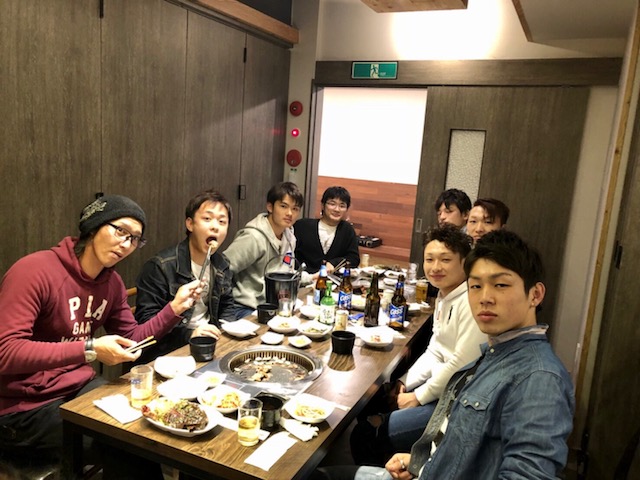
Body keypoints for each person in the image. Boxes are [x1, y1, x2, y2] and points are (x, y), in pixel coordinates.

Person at [315, 230, 575, 480]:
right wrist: (422, 462)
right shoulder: (494, 352)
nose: (485, 297)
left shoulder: (539, 378)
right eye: (476, 286)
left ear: (535, 295)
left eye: (501, 284)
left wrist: (418, 398)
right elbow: (462, 442)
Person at [0, 195, 203, 479]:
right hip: (22, 407)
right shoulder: (34, 271)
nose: (126, 244)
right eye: (121, 231)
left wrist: (174, 308)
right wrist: (89, 348)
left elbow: (132, 337)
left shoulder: (111, 283)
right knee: (124, 445)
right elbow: (6, 352)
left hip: (77, 387)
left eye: (135, 239)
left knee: (143, 433)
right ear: (93, 227)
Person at [350, 224, 486, 466]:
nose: (435, 267)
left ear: (465, 262)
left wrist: (418, 397)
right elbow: (435, 350)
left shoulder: (470, 302)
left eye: (445, 259)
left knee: (366, 434)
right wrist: (404, 382)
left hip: (456, 403)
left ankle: (392, 468)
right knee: (373, 399)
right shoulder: (445, 295)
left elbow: (460, 365)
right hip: (441, 388)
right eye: (429, 259)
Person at [134, 190, 235, 364]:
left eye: (222, 221)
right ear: (190, 224)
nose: (215, 227)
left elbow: (227, 305)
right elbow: (146, 324)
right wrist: (190, 334)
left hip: (208, 346)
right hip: (167, 353)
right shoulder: (160, 266)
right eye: (207, 219)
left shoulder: (221, 264)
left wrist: (227, 333)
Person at [224, 181, 304, 319]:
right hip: (245, 307)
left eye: (295, 209)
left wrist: (309, 277)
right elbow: (222, 269)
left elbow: (286, 272)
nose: (289, 213)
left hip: (275, 303)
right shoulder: (253, 237)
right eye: (283, 206)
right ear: (270, 207)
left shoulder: (289, 237)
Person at [294, 186, 360, 276]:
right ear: (323, 205)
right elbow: (291, 255)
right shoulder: (302, 226)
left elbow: (354, 258)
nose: (337, 209)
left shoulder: (347, 230)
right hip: (303, 278)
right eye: (332, 204)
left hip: (333, 281)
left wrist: (334, 263)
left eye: (342, 206)